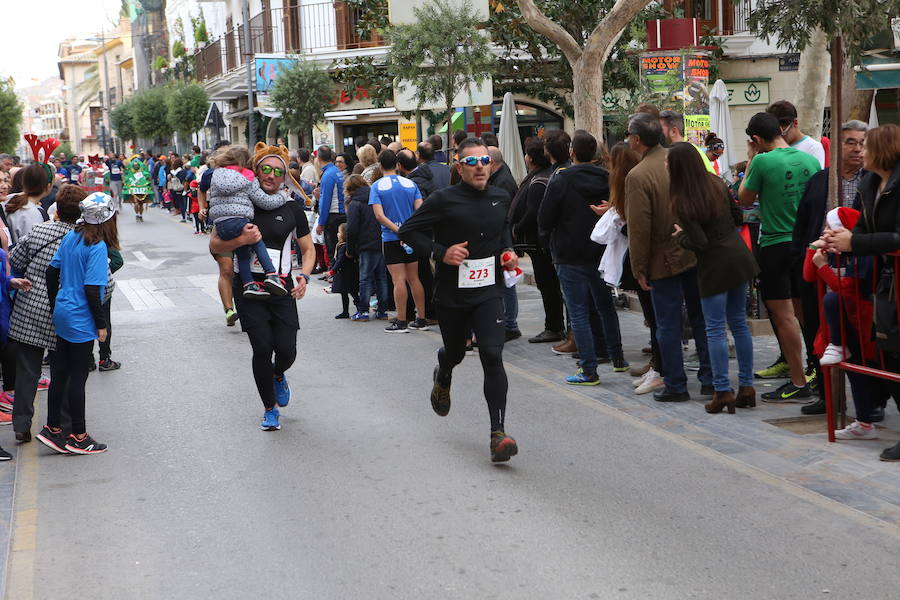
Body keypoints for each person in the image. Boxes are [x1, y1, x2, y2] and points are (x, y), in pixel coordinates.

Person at [399, 137, 520, 463]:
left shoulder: (501, 195)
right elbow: (408, 232)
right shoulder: (443, 200)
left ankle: (498, 433)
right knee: (455, 351)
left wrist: (507, 253)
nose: (480, 167)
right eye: (472, 162)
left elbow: (503, 232)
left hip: (489, 290)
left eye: (485, 162)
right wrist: (441, 252)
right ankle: (444, 372)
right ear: (459, 167)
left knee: (492, 355)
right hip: (453, 293)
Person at [209, 143, 316, 432]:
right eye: (265, 170)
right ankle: (270, 410)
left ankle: (279, 374)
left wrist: (304, 276)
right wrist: (240, 242)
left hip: (282, 288)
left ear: (284, 177)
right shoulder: (241, 201)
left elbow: (308, 250)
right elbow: (215, 244)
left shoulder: (291, 207)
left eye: (278, 172)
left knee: (286, 350)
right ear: (254, 171)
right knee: (262, 348)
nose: (271, 175)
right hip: (249, 288)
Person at [822, 124, 900, 460]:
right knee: (890, 352)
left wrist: (854, 242)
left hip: (893, 279)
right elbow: (863, 230)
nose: (860, 151)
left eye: (865, 145)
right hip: (884, 281)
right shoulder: (869, 182)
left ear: (882, 150)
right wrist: (837, 241)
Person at [625, 113, 713, 402]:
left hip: (663, 256)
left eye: (628, 135)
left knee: (668, 324)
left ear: (636, 139)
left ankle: (676, 383)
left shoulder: (638, 175)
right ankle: (711, 378)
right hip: (693, 249)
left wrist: (638, 266)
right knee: (701, 319)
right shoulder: (679, 159)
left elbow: (639, 226)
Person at [668, 142, 759, 413]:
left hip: (714, 266)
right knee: (739, 325)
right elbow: (736, 216)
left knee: (715, 328)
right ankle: (746, 386)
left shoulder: (681, 198)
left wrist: (679, 236)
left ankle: (722, 391)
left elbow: (699, 241)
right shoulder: (716, 183)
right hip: (738, 257)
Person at [739, 111, 820, 402]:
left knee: (784, 316)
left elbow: (744, 198)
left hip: (775, 244)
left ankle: (798, 381)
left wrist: (750, 159)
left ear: (757, 139)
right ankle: (818, 376)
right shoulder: (811, 161)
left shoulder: (762, 160)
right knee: (806, 314)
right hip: (807, 245)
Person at [792, 120, 868, 416]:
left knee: (859, 337)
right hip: (820, 264)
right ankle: (827, 396)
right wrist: (803, 255)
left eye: (862, 143)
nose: (857, 149)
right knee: (818, 332)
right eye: (850, 142)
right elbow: (802, 223)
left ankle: (869, 402)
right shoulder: (820, 180)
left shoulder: (872, 180)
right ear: (836, 145)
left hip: (859, 267)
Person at [539, 130, 627, 384]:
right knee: (605, 306)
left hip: (569, 253)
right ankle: (618, 357)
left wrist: (548, 239)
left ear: (572, 153)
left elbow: (545, 217)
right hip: (600, 251)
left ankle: (589, 368)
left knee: (578, 312)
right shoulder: (608, 177)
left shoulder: (561, 179)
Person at [36, 193, 119, 455]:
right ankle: (79, 436)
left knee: (60, 372)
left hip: (63, 310)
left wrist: (56, 303)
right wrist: (101, 324)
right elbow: (94, 290)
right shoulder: (96, 246)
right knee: (78, 376)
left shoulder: (71, 236)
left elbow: (52, 272)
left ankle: (53, 428)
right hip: (80, 316)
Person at [207, 146, 289, 299]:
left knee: (242, 253)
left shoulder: (217, 174)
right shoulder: (248, 177)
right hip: (239, 220)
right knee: (256, 239)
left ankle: (248, 284)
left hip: (221, 224)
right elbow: (265, 202)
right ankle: (271, 274)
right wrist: (282, 196)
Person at [509, 137, 564, 344]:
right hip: (539, 243)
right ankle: (556, 327)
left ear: (530, 158)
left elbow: (534, 213)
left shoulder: (540, 180)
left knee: (548, 284)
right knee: (548, 284)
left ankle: (554, 327)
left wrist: (517, 227)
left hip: (539, 243)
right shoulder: (542, 176)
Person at [369, 149, 428, 332]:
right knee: (414, 278)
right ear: (397, 165)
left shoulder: (377, 186)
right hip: (412, 238)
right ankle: (422, 319)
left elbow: (379, 215)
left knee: (398, 280)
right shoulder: (410, 184)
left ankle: (401, 320)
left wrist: (398, 230)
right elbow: (420, 210)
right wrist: (409, 229)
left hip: (391, 237)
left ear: (380, 165)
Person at [487, 146, 521, 341]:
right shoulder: (500, 178)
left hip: (502, 240)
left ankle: (510, 324)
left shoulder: (502, 182)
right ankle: (507, 322)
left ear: (492, 163)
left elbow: (504, 216)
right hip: (502, 239)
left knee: (507, 283)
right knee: (505, 283)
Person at [345, 174, 389, 321]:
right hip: (381, 241)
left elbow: (351, 229)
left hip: (365, 244)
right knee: (381, 277)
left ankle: (363, 311)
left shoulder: (355, 204)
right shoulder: (376, 198)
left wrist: (350, 249)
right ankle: (383, 311)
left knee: (365, 278)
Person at [767, 100, 826, 168]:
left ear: (795, 123)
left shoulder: (813, 147)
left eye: (783, 133)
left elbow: (816, 176)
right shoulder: (773, 147)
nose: (779, 139)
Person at [2, 164, 49, 245]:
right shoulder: (33, 213)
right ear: (48, 186)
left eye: (5, 180)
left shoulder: (10, 200)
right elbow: (32, 247)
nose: (5, 186)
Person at [315, 146, 346, 266]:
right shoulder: (337, 171)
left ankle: (334, 278)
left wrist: (321, 223)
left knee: (332, 249)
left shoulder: (328, 175)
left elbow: (325, 200)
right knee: (339, 249)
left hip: (333, 216)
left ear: (318, 158)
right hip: (341, 213)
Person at [330, 223, 360, 319]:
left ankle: (360, 309)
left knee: (353, 292)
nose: (337, 234)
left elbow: (340, 260)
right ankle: (346, 311)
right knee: (345, 293)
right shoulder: (341, 245)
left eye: (339, 232)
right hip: (345, 273)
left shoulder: (344, 247)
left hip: (347, 273)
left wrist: (332, 271)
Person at [124, 156, 152, 222]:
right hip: (134, 189)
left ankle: (141, 215)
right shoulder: (130, 173)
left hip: (142, 189)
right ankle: (137, 214)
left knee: (141, 203)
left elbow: (147, 178)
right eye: (135, 165)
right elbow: (127, 179)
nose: (136, 166)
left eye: (137, 165)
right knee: (136, 203)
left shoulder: (143, 172)